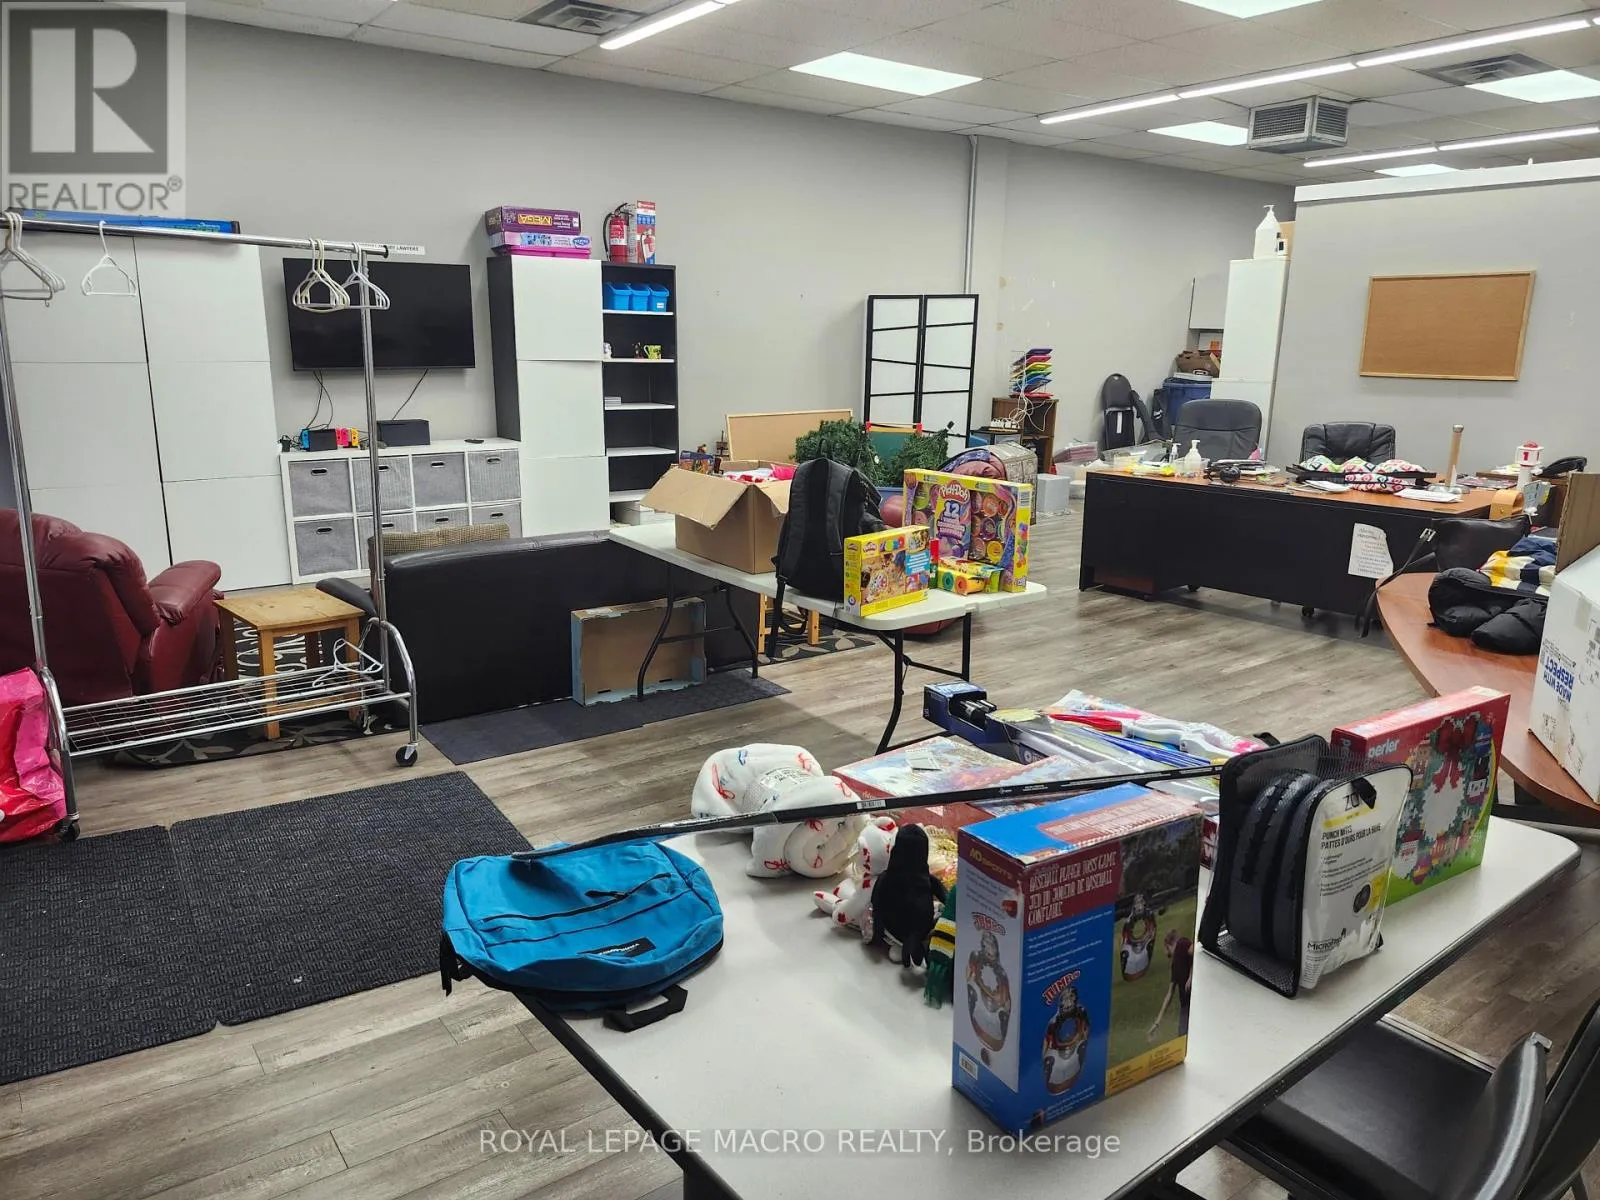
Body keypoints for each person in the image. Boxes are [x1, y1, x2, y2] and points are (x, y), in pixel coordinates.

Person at [1147, 928, 1193, 1041]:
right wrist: (1157, 1023)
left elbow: (1196, 952)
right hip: (1185, 1005)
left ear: (1168, 945)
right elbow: (1169, 994)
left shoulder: (1182, 944)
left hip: (1195, 999)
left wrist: (1191, 976)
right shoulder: (1174, 965)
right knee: (1182, 1038)